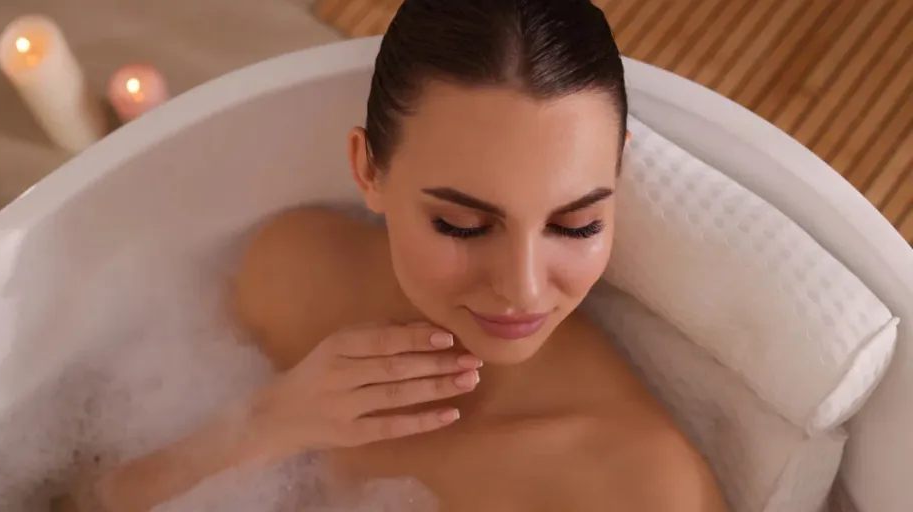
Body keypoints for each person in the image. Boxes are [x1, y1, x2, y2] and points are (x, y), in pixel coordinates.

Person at [62, 0, 727, 510]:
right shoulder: (297, 276)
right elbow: (73, 501)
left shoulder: (643, 492)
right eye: (462, 224)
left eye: (577, 224)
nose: (523, 290)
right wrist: (267, 422)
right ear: (369, 171)